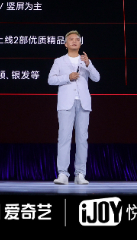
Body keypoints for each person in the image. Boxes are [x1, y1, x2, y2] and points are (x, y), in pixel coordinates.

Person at [48, 30, 100, 185]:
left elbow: (97, 78)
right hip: (66, 103)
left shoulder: (85, 60)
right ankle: (63, 174)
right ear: (66, 44)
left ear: (80, 43)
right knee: (64, 138)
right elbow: (51, 80)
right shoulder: (59, 61)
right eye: (71, 39)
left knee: (82, 139)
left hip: (83, 103)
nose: (74, 41)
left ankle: (80, 174)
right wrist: (67, 77)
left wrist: (88, 64)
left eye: (77, 39)